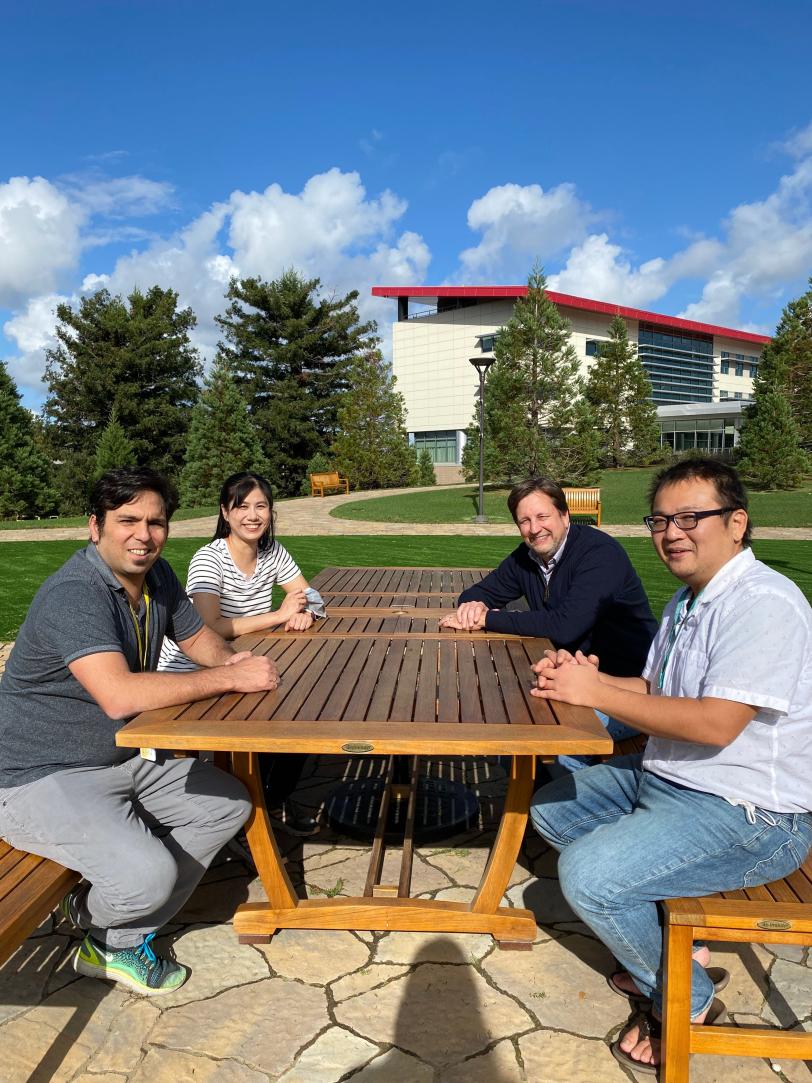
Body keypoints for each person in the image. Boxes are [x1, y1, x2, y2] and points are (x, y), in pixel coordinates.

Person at [528, 458, 812, 1073]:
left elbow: (716, 722)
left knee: (589, 876)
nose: (672, 533)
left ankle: (686, 996)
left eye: (690, 518)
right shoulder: (688, 601)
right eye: (660, 520)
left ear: (737, 524)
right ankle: (671, 941)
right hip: (671, 777)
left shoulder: (765, 604)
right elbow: (653, 687)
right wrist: (583, 680)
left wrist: (595, 695)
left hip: (750, 813)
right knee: (551, 808)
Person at [0, 468, 279, 996]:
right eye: (127, 520)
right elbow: (119, 695)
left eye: (156, 522)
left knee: (225, 804)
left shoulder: (158, 578)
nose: (143, 535)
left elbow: (199, 642)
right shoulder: (76, 594)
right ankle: (109, 936)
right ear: (95, 526)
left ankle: (114, 927)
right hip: (36, 776)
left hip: (119, 758)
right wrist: (229, 678)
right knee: (146, 876)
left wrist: (239, 664)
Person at [440, 476, 658, 764]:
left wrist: (489, 619)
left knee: (547, 744)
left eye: (543, 516)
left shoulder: (599, 554)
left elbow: (565, 625)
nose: (534, 528)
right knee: (492, 716)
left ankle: (577, 800)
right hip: (568, 677)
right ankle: (530, 794)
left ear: (565, 516)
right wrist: (475, 605)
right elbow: (477, 592)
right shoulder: (527, 558)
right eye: (524, 521)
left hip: (627, 690)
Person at [158, 471, 325, 835]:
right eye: (242, 506)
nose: (253, 515)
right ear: (226, 513)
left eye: (261, 506)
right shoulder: (209, 560)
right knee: (280, 714)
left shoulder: (272, 552)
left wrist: (305, 612)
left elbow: (312, 595)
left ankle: (269, 802)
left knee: (308, 704)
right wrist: (279, 615)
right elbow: (207, 627)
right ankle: (255, 808)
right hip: (191, 668)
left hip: (244, 661)